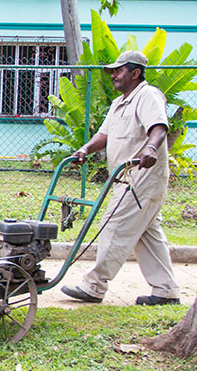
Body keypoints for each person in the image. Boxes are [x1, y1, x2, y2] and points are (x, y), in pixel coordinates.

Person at [61, 49, 181, 306]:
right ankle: (166, 290)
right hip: (125, 177)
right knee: (148, 235)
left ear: (135, 73)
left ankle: (94, 285)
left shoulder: (148, 96)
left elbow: (158, 127)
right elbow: (104, 135)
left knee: (113, 226)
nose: (113, 75)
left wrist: (150, 148)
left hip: (141, 176)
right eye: (112, 71)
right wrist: (85, 148)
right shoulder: (119, 103)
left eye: (119, 70)